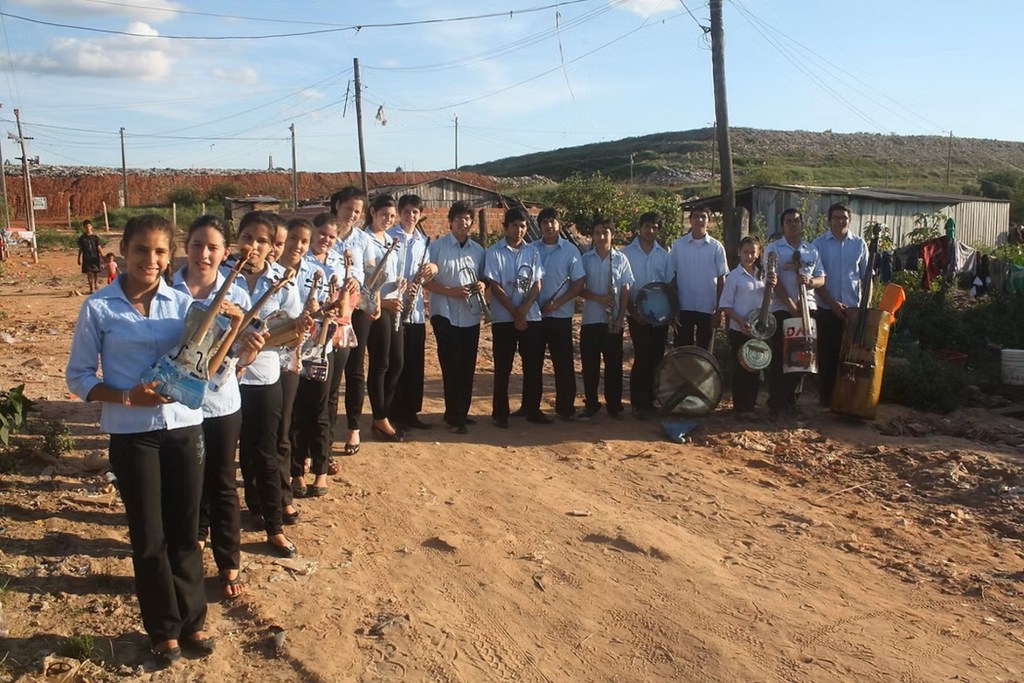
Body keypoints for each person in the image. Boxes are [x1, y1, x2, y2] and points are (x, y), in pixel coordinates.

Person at [65, 214, 219, 666]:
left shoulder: (184, 304)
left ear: (167, 255)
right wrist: (126, 396)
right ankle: (163, 628)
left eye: (158, 252)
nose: (149, 260)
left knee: (185, 533)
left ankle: (193, 619)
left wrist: (234, 335)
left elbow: (205, 361)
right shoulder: (99, 308)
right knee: (148, 537)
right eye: (140, 251)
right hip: (132, 436)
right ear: (123, 253)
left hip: (184, 429)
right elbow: (78, 376)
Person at [171, 215, 260, 601]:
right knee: (185, 486)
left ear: (225, 254)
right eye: (196, 245)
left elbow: (242, 352)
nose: (203, 254)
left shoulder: (238, 295)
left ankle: (229, 560)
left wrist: (250, 350)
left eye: (212, 248)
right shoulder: (168, 290)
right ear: (185, 247)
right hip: (175, 407)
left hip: (221, 404)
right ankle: (189, 550)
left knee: (222, 483)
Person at [230, 210, 302, 559]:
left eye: (262, 241)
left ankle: (273, 524)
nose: (253, 246)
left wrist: (290, 335)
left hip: (264, 377)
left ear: (272, 245)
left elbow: (293, 326)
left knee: (266, 451)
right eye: (248, 238)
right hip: (224, 381)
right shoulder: (221, 277)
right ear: (237, 237)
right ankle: (227, 521)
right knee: (228, 454)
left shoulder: (283, 282)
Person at [279, 218, 331, 498]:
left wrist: (323, 310)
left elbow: (327, 309)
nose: (297, 246)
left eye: (303, 241)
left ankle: (320, 471)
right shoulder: (273, 272)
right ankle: (295, 471)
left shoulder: (317, 272)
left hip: (316, 349)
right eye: (293, 239)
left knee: (318, 410)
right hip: (284, 353)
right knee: (292, 414)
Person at [423, 202, 486, 434]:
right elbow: (426, 281)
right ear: (450, 221)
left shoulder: (478, 251)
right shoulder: (436, 247)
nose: (463, 222)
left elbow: (483, 279)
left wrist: (482, 284)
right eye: (458, 218)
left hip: (470, 315)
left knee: (468, 365)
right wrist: (452, 292)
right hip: (444, 314)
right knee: (451, 365)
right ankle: (453, 416)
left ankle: (462, 412)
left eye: (467, 218)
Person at [484, 207, 547, 427]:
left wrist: (524, 310)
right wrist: (513, 311)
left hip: (530, 317)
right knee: (503, 367)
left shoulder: (533, 252)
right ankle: (500, 413)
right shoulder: (494, 252)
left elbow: (537, 284)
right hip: (503, 319)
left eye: (523, 226)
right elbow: (495, 285)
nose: (519, 230)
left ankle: (532, 409)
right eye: (514, 226)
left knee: (533, 366)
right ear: (505, 227)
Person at [764, 208, 825, 415]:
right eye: (788, 221)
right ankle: (776, 401)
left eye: (797, 221)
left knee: (802, 356)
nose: (793, 224)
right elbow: (773, 279)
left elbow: (821, 278)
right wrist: (791, 306)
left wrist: (810, 281)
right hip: (782, 308)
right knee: (781, 356)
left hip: (808, 308)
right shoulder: (774, 249)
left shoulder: (811, 250)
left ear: (802, 224)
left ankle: (792, 400)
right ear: (783, 226)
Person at [387, 194, 437, 431]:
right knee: (395, 362)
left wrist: (430, 270)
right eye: (407, 212)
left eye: (415, 212)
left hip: (415, 312)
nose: (411, 216)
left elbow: (428, 274)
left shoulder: (423, 242)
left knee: (415, 364)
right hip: (393, 308)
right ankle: (391, 412)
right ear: (400, 212)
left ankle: (411, 412)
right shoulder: (388, 237)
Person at [577, 217, 633, 420]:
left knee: (614, 365)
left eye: (605, 233)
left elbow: (625, 291)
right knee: (590, 365)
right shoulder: (585, 259)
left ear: (612, 235)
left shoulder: (621, 259)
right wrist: (597, 298)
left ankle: (614, 405)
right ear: (592, 235)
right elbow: (578, 289)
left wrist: (620, 318)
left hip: (612, 322)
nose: (601, 237)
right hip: (591, 320)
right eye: (597, 233)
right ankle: (591, 404)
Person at [812, 203, 868, 407]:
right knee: (827, 354)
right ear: (829, 220)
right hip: (827, 308)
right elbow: (816, 280)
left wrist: (863, 309)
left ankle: (847, 397)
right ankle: (826, 397)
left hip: (853, 311)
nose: (840, 221)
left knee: (851, 355)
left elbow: (865, 278)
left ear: (849, 220)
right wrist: (833, 304)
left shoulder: (859, 244)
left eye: (844, 217)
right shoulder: (818, 245)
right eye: (836, 217)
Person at [533, 208, 585, 421]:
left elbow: (579, 282)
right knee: (533, 363)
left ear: (559, 224)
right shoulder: (531, 249)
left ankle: (565, 407)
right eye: (544, 222)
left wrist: (558, 303)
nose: (549, 225)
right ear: (539, 226)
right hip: (535, 316)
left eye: (552, 221)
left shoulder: (570, 250)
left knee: (563, 363)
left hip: (560, 316)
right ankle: (530, 407)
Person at [328, 187, 370, 456]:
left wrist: (358, 280)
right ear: (337, 206)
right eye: (348, 209)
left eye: (357, 211)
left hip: (355, 311)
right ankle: (325, 431)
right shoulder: (325, 234)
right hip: (329, 312)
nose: (352, 215)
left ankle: (353, 426)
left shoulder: (363, 240)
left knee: (355, 370)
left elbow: (367, 272)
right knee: (327, 373)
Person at [363, 194, 407, 441]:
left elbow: (388, 275)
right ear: (373, 213)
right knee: (380, 364)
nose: (388, 220)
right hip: (376, 308)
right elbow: (368, 281)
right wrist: (384, 300)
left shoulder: (391, 239)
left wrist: (398, 283)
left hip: (393, 306)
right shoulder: (366, 240)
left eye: (392, 216)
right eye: (384, 216)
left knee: (397, 362)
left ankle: (384, 413)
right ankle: (380, 418)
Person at [622, 212, 673, 419]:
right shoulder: (626, 253)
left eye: (654, 227)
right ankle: (637, 402)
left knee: (657, 357)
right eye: (647, 226)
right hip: (637, 315)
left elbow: (669, 286)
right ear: (639, 227)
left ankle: (652, 399)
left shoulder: (664, 255)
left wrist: (670, 313)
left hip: (660, 317)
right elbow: (624, 286)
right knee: (642, 357)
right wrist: (633, 312)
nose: (650, 231)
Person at [720, 236, 776, 413]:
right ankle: (739, 407)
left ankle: (750, 406)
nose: (749, 255)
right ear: (739, 252)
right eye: (746, 252)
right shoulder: (734, 277)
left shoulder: (763, 275)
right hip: (739, 329)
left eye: (753, 252)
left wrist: (772, 286)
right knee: (741, 368)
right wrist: (740, 322)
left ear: (758, 253)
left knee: (754, 368)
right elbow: (725, 306)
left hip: (758, 330)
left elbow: (770, 301)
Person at [669, 207, 728, 348]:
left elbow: (722, 279)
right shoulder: (678, 245)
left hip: (708, 308)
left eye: (703, 216)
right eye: (695, 216)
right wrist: (673, 307)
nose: (699, 220)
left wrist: (719, 311)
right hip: (683, 307)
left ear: (709, 221)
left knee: (704, 354)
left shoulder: (716, 247)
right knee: (682, 352)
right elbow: (672, 277)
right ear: (690, 220)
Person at [77, 219, 103, 293]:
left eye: (89, 226)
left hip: (95, 256)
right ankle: (91, 287)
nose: (87, 228)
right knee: (89, 272)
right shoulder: (82, 238)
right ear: (84, 228)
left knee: (96, 271)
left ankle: (96, 283)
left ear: (91, 227)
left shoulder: (95, 237)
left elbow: (98, 247)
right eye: (86, 226)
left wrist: (102, 256)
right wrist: (78, 258)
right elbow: (81, 249)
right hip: (86, 256)